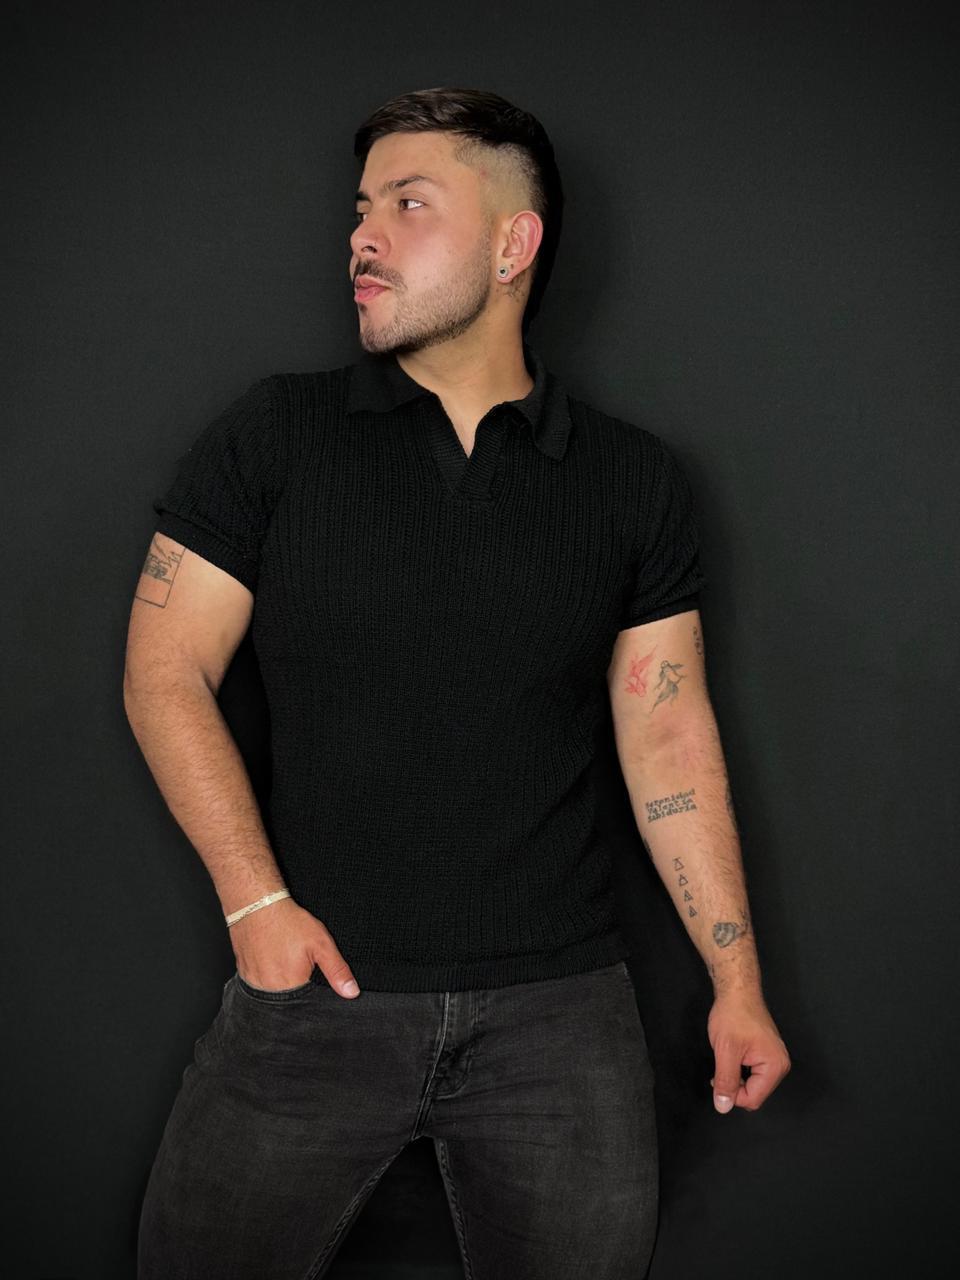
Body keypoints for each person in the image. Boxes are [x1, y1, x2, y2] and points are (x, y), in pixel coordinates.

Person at [126, 86, 790, 1280]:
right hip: (315, 999)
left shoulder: (631, 480)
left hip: (561, 1024)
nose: (362, 237)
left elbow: (669, 737)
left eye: (408, 204)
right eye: (360, 209)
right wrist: (254, 906)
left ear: (512, 243)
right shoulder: (276, 434)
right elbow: (164, 669)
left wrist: (736, 980)